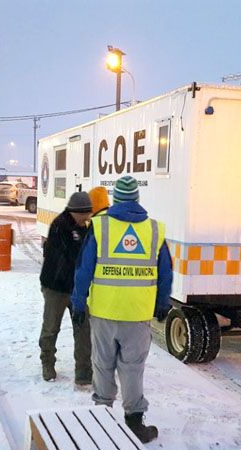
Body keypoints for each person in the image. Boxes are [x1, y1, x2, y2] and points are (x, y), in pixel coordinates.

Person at [71, 175, 172, 444]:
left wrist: (78, 303)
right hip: (137, 314)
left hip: (104, 311)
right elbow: (165, 273)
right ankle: (134, 422)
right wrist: (163, 303)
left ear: (115, 199)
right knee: (132, 367)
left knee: (102, 364)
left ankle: (101, 417)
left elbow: (83, 269)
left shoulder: (100, 226)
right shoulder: (153, 230)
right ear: (137, 199)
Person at [39, 191, 94, 384]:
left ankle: (84, 372)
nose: (87, 217)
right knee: (51, 328)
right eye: (84, 214)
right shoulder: (59, 226)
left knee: (83, 330)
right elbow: (69, 257)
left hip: (78, 290)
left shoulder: (85, 227)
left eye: (89, 214)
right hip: (56, 287)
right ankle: (47, 363)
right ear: (74, 212)